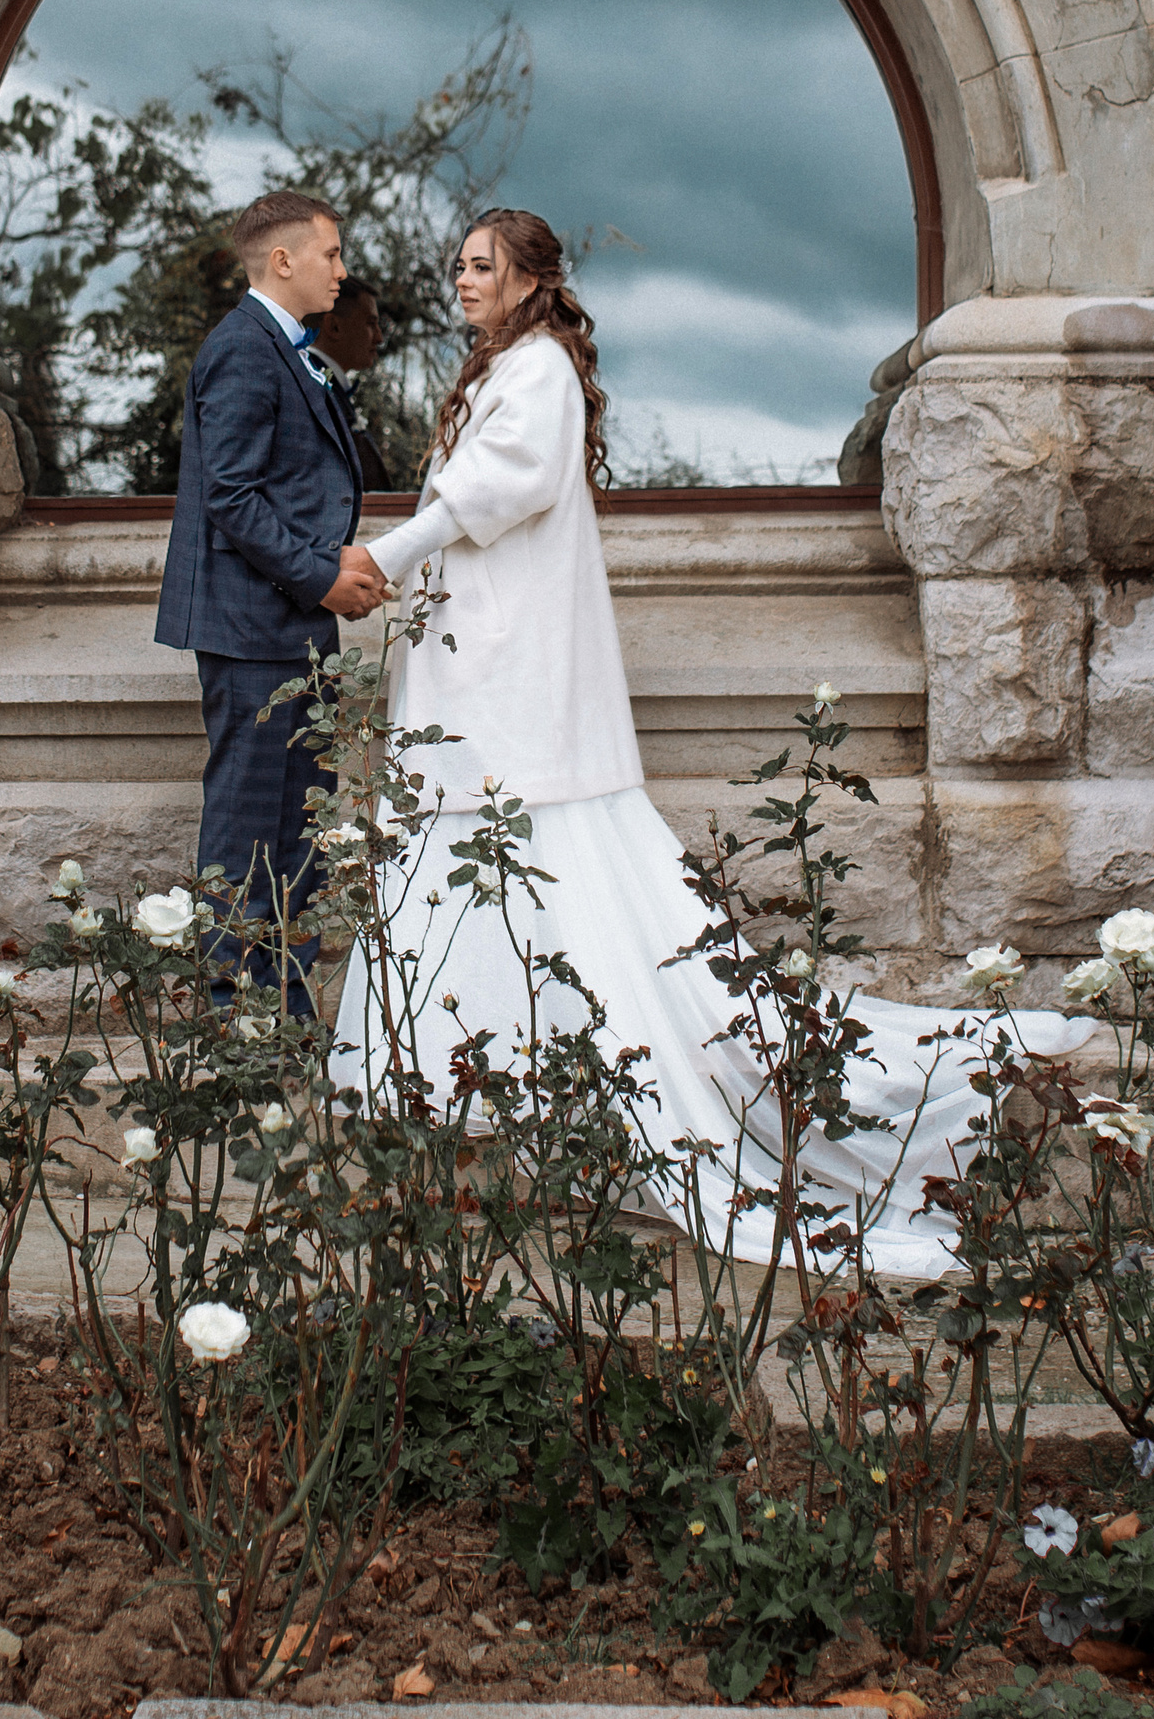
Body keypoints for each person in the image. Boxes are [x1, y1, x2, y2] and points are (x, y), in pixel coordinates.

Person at [332, 207, 1086, 1276]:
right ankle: (474, 1102)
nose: (460, 280)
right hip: (472, 673)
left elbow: (491, 491)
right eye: (455, 264)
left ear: (533, 280)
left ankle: (490, 1103)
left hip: (509, 687)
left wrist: (385, 554)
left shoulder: (537, 371)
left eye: (481, 266)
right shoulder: (505, 367)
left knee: (520, 866)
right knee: (482, 878)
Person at [156, 190, 389, 1020]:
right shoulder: (245, 351)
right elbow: (234, 497)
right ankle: (236, 1022)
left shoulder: (289, 350)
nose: (343, 269)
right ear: (282, 261)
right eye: (331, 254)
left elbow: (278, 496)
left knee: (298, 839)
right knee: (250, 831)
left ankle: (282, 1017)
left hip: (288, 628)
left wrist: (333, 569)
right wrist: (321, 576)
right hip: (252, 630)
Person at [306, 277, 396, 492]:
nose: (379, 338)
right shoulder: (313, 390)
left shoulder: (330, 388)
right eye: (370, 324)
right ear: (334, 326)